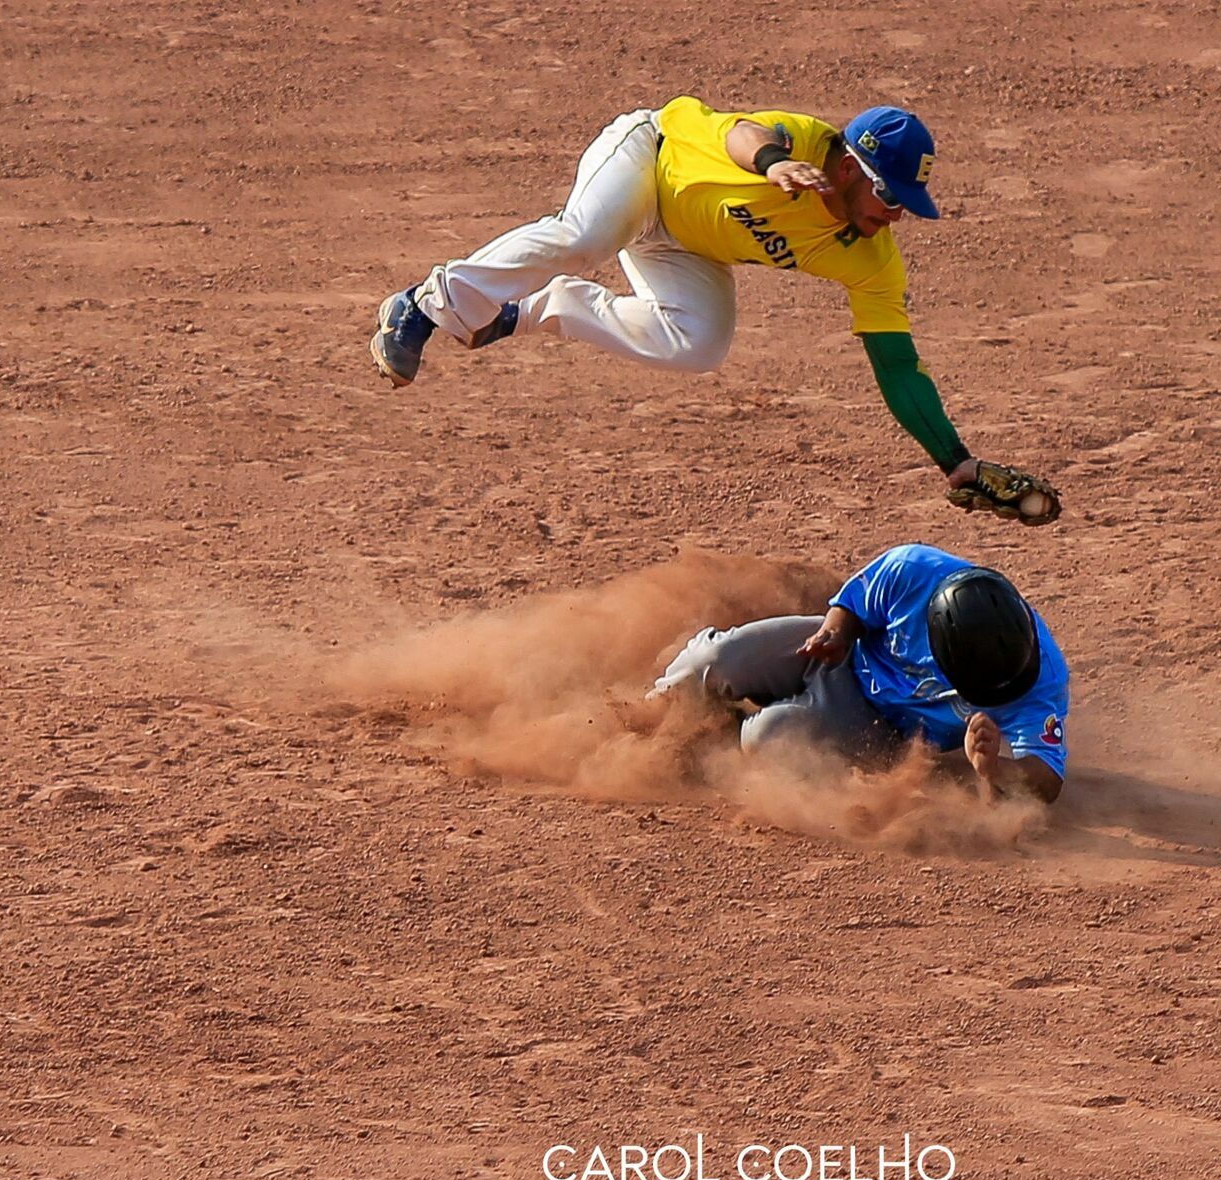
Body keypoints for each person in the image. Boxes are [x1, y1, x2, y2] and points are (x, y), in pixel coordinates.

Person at [369, 97, 1060, 526]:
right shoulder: (797, 143)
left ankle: (521, 314)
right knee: (584, 237)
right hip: (645, 161)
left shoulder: (872, 259)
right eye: (889, 195)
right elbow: (740, 132)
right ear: (849, 168)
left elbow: (898, 367)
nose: (894, 214)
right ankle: (427, 304)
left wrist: (955, 461)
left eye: (906, 203)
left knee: (698, 343)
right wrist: (768, 164)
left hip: (685, 244)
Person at [653, 544, 1069, 802]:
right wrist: (835, 634)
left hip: (878, 729)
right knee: (715, 659)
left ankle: (713, 735)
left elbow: (1047, 780)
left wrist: (994, 769)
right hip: (841, 657)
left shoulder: (1038, 680)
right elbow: (851, 605)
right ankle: (652, 712)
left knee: (771, 738)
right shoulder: (912, 570)